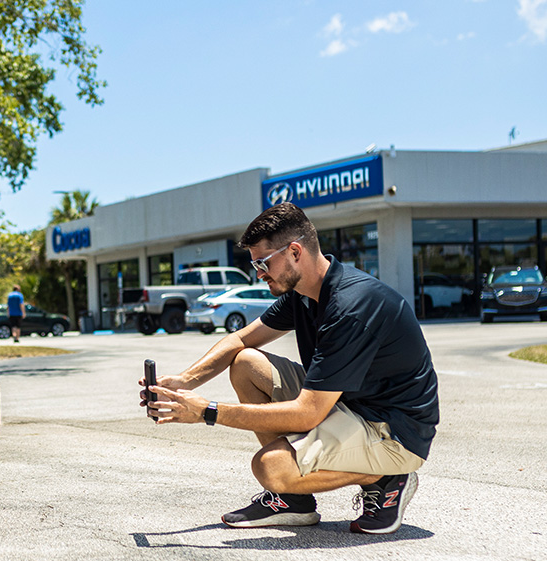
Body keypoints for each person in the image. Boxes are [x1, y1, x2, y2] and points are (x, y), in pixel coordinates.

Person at [140, 202, 438, 534]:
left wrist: (207, 412)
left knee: (272, 468)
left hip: (391, 431)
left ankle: (387, 478)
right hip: (347, 404)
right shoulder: (305, 293)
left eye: (263, 262)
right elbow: (240, 340)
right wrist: (184, 382)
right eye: (255, 263)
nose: (258, 272)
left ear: (295, 252)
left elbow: (307, 413)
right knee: (245, 363)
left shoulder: (351, 306)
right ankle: (294, 501)